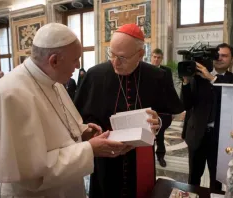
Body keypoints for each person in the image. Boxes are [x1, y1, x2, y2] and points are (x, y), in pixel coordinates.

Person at [0, 23, 127, 198]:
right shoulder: (9, 95)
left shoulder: (53, 80)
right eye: (75, 59)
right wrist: (89, 149)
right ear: (54, 60)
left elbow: (57, 129)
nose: (78, 65)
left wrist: (83, 132)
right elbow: (31, 174)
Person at [75, 24, 183, 198]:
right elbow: (80, 116)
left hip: (141, 156)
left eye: (123, 58)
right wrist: (89, 130)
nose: (115, 63)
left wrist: (159, 121)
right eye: (112, 55)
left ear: (140, 54)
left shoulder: (157, 76)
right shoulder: (95, 75)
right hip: (105, 156)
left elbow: (168, 112)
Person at [181, 43, 233, 191]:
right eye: (217, 55)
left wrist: (211, 78)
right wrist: (186, 82)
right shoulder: (198, 78)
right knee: (193, 178)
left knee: (217, 179)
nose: (219, 58)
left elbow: (231, 100)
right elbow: (186, 105)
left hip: (220, 139)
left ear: (232, 59)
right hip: (197, 135)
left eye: (224, 55)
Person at [150, 48, 174, 167]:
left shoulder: (167, 71)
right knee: (148, 134)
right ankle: (148, 157)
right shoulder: (145, 69)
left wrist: (172, 109)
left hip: (162, 108)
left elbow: (170, 89)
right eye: (154, 57)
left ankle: (160, 156)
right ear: (151, 57)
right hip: (148, 107)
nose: (156, 59)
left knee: (160, 134)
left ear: (161, 58)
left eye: (158, 57)